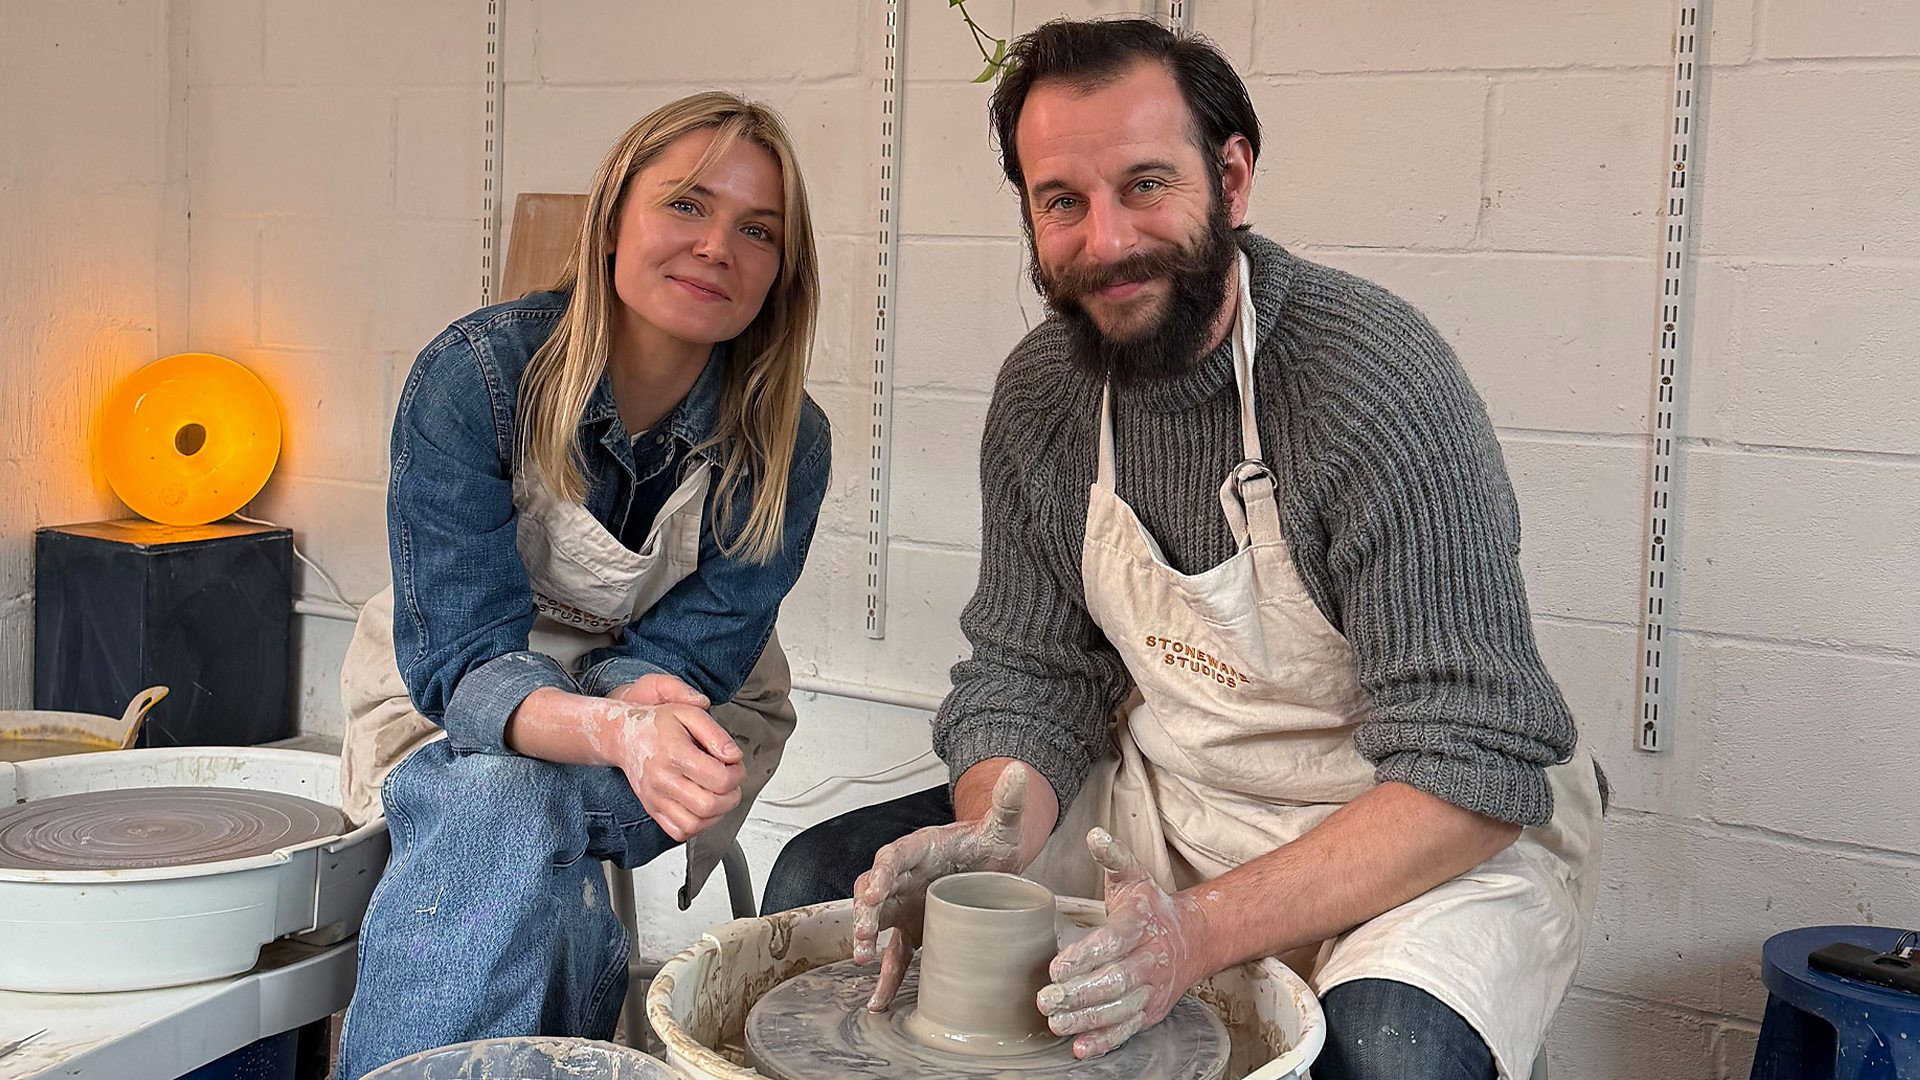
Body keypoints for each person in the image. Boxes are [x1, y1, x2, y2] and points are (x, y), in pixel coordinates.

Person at [760, 19, 1602, 1080]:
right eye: (1062, 201)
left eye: (1145, 185)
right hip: (1171, 808)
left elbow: (1471, 767)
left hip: (1407, 837)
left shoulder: (1370, 384)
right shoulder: (1045, 397)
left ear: (1231, 179)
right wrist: (997, 836)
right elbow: (1034, 676)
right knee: (819, 886)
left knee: (1387, 1055)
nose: (1107, 240)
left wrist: (1193, 934)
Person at [332, 92, 830, 1078]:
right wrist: (607, 731)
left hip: (688, 720)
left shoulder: (786, 442)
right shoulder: (476, 379)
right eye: (686, 205)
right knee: (501, 797)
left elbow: (685, 664)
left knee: (509, 814)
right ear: (610, 222)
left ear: (781, 271)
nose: (717, 246)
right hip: (447, 696)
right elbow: (464, 666)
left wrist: (635, 725)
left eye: (757, 230)